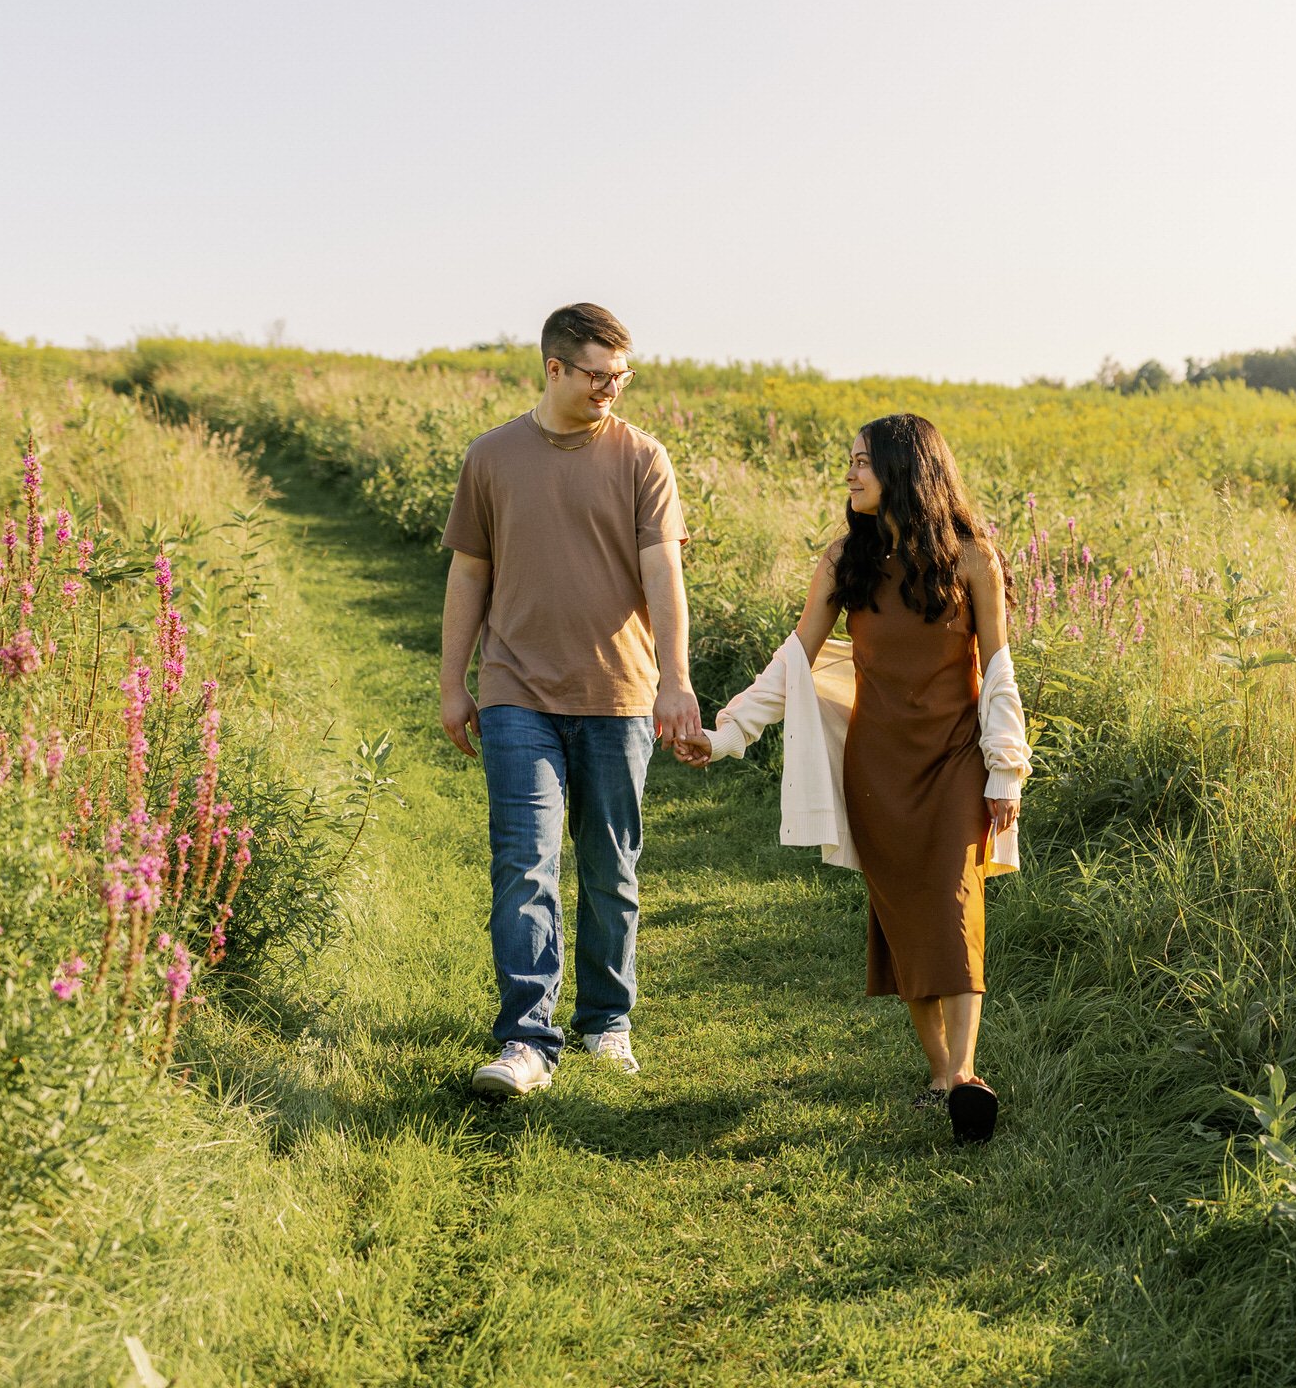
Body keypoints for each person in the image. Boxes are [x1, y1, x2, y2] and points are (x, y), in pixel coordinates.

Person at [679, 414, 1029, 1144]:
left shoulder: (973, 560)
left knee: (956, 905)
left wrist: (1006, 769)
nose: (851, 474)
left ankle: (964, 1076)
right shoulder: (845, 559)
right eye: (850, 461)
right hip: (877, 766)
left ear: (905, 469)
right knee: (903, 918)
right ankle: (942, 1075)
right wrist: (727, 734)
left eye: (863, 461)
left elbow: (997, 670)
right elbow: (794, 660)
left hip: (958, 756)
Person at [439, 303, 703, 1097]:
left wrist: (676, 678)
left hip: (620, 691)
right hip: (517, 688)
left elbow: (664, 575)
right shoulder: (491, 458)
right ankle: (526, 1039)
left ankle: (606, 1021)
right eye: (598, 376)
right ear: (554, 368)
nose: (611, 390)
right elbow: (469, 576)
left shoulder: (643, 459)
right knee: (526, 860)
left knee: (610, 864)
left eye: (621, 376)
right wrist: (453, 681)